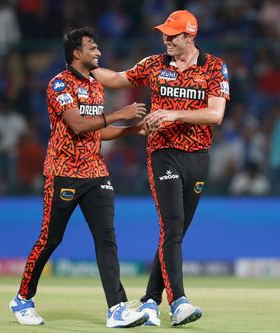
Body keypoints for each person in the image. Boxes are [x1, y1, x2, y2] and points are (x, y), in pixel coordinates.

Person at [92, 10, 230, 326]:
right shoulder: (154, 65)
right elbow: (116, 80)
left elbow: (215, 114)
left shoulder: (214, 67)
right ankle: (178, 301)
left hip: (198, 157)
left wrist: (173, 114)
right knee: (172, 226)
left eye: (173, 34)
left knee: (176, 232)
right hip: (163, 153)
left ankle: (151, 301)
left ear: (190, 36)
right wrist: (85, 67)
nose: (166, 39)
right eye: (164, 33)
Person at [9, 28, 149, 328]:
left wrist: (132, 131)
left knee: (107, 238)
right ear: (76, 53)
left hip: (96, 172)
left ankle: (117, 308)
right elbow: (77, 124)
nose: (98, 52)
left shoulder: (96, 86)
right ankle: (22, 298)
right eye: (92, 47)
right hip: (63, 173)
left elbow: (96, 132)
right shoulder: (59, 84)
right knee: (50, 239)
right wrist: (120, 114)